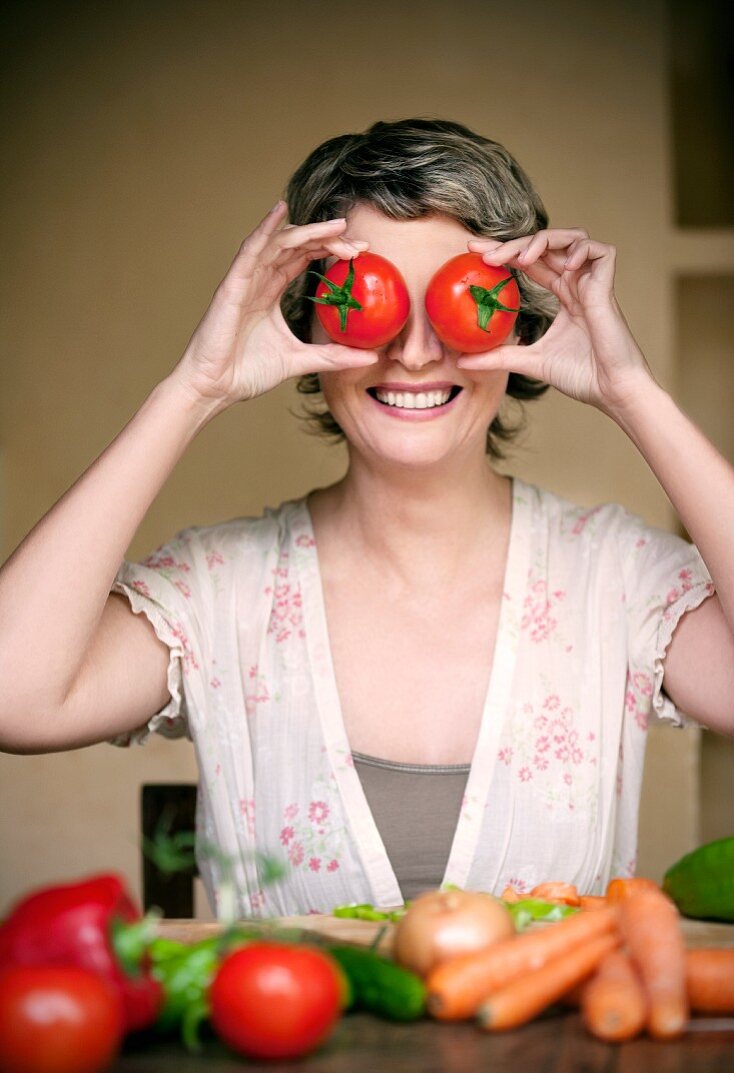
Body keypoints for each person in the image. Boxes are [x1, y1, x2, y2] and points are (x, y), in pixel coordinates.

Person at [0, 118, 732, 919]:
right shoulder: (219, 594)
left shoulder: (615, 582)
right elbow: (15, 694)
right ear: (306, 322)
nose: (415, 354)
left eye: (462, 305)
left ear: (519, 323)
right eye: (369, 304)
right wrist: (194, 387)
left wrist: (635, 394)